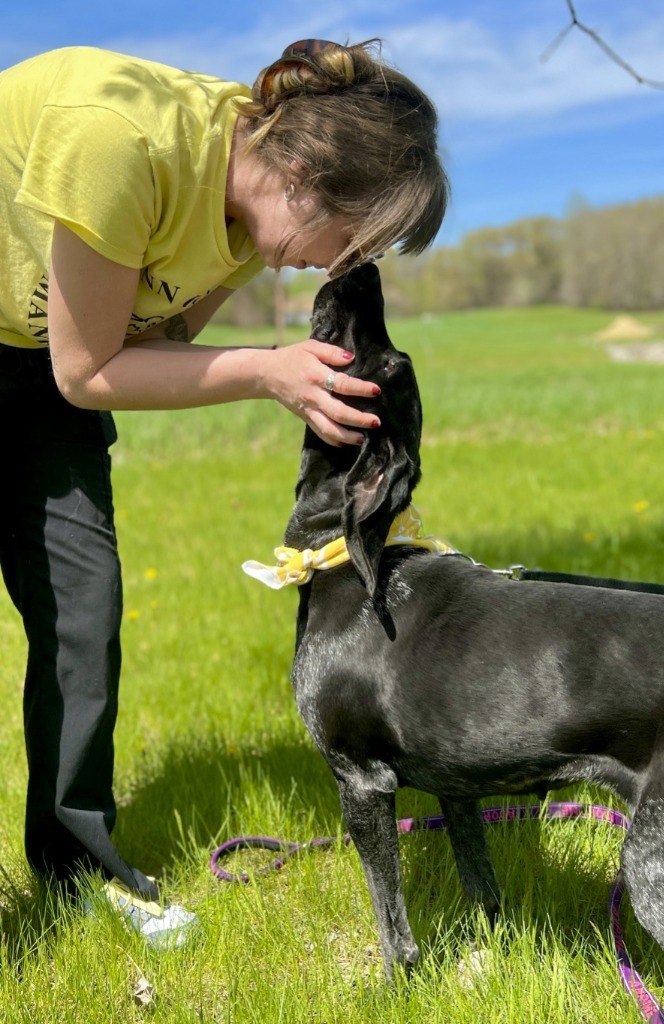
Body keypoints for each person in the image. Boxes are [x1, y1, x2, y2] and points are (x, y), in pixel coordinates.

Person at [0, 38, 448, 901]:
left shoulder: (250, 228)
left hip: (42, 358)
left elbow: (146, 347)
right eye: (351, 236)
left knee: (81, 615)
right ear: (305, 173)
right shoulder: (121, 137)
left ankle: (76, 876)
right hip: (55, 356)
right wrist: (265, 369)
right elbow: (87, 371)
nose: (342, 263)